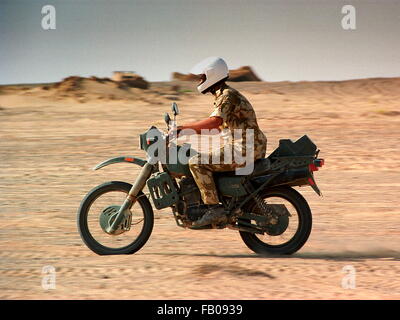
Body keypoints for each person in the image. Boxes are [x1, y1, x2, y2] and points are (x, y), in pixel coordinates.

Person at [173, 57, 267, 227]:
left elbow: (214, 123)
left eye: (202, 77)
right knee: (203, 158)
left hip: (246, 148)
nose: (200, 80)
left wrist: (182, 129)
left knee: (196, 162)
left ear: (212, 76)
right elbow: (216, 128)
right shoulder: (223, 95)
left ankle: (214, 209)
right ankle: (224, 204)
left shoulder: (227, 95)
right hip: (244, 146)